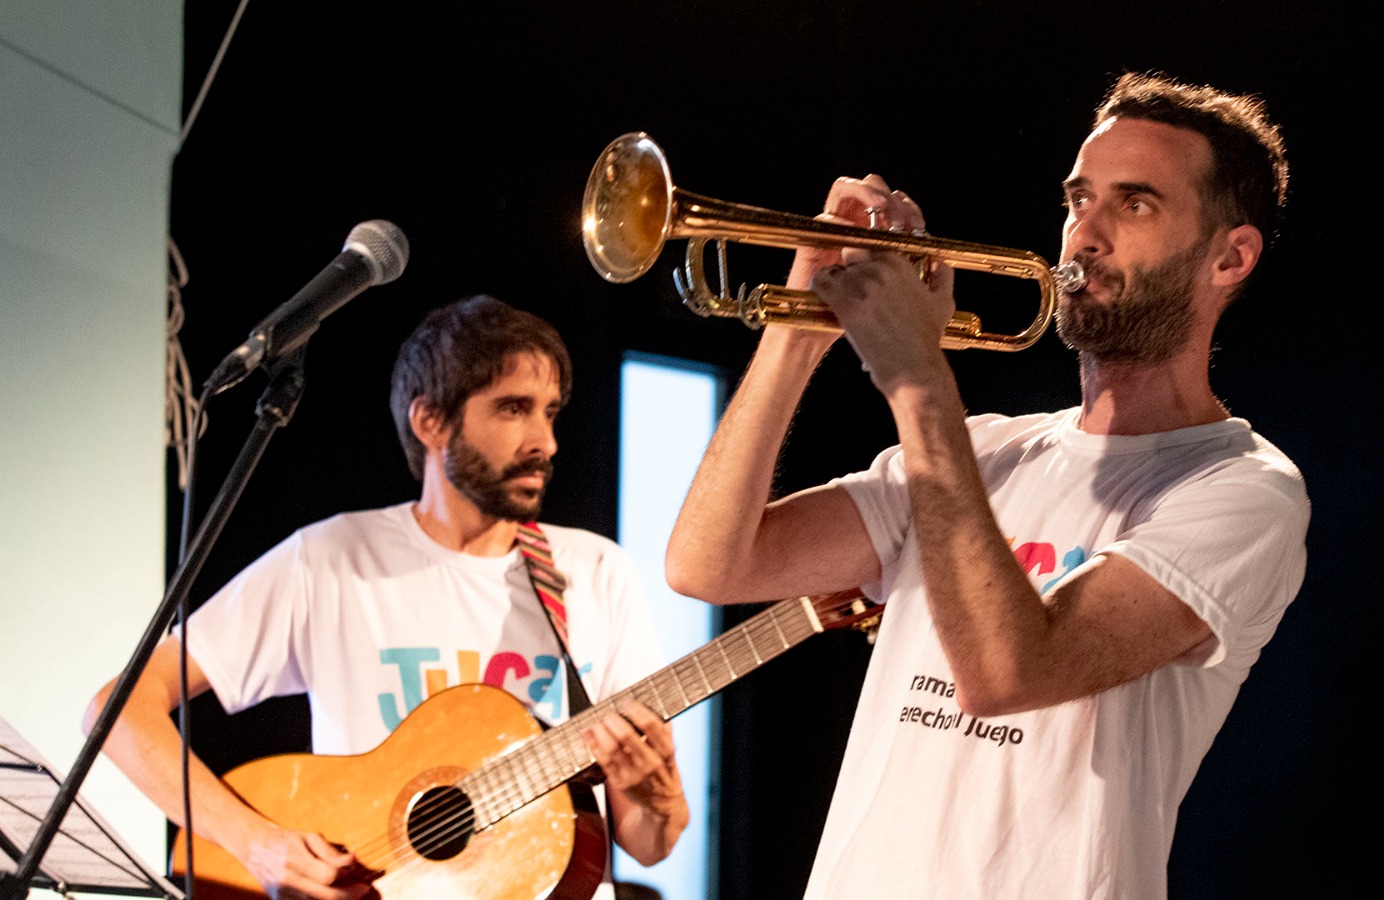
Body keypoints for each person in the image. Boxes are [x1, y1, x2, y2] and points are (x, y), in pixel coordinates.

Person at [664, 71, 1309, 898]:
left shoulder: (1243, 491)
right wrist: (799, 327)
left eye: (1135, 204)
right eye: (1080, 201)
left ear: (1231, 256)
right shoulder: (983, 450)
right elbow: (710, 564)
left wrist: (917, 378)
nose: (1085, 235)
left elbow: (1007, 673)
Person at [86, 295, 689, 900]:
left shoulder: (595, 572)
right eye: (513, 409)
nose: (546, 442)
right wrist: (254, 840)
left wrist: (656, 801)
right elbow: (118, 708)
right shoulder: (331, 560)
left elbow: (646, 843)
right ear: (431, 422)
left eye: (550, 413)